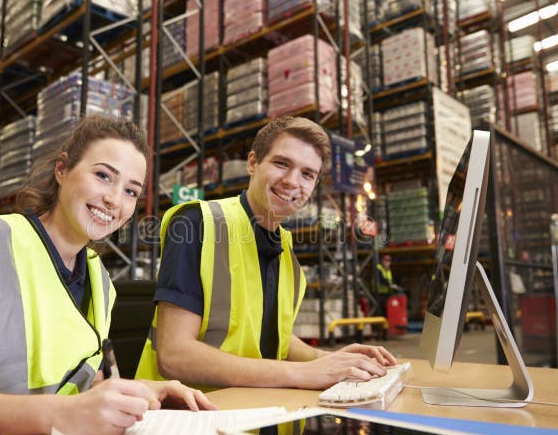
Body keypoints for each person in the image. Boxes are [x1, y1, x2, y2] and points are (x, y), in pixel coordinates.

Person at [0, 116, 215, 435]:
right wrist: (66, 415)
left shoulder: (99, 280)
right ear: (62, 170)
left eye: (131, 191)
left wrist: (145, 391)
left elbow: (83, 385)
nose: (114, 200)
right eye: (103, 176)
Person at [134, 116, 396, 391]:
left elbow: (272, 335)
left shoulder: (284, 249)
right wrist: (301, 373)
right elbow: (174, 355)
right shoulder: (198, 224)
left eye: (307, 174)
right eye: (282, 163)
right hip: (193, 421)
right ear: (252, 163)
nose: (293, 181)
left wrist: (332, 360)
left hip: (261, 417)